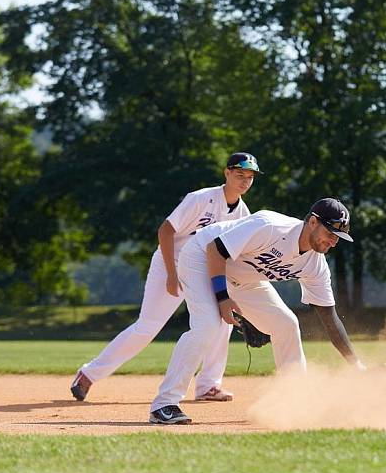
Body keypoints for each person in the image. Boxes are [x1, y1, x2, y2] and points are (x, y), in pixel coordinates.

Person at [148, 198, 365, 424]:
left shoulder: (315, 266)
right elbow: (216, 250)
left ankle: (295, 401)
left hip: (243, 277)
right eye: (330, 233)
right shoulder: (270, 226)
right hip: (201, 257)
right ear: (312, 222)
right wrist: (223, 299)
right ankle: (164, 405)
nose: (333, 241)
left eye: (338, 238)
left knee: (286, 324)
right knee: (208, 325)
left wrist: (357, 366)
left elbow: (329, 319)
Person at [70, 153, 262, 402]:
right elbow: (166, 230)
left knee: (221, 321)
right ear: (226, 173)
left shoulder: (243, 214)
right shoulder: (201, 198)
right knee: (147, 327)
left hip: (201, 271)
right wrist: (172, 276)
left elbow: (229, 255)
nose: (245, 181)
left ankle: (208, 386)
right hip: (170, 263)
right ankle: (88, 374)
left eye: (250, 177)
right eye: (239, 175)